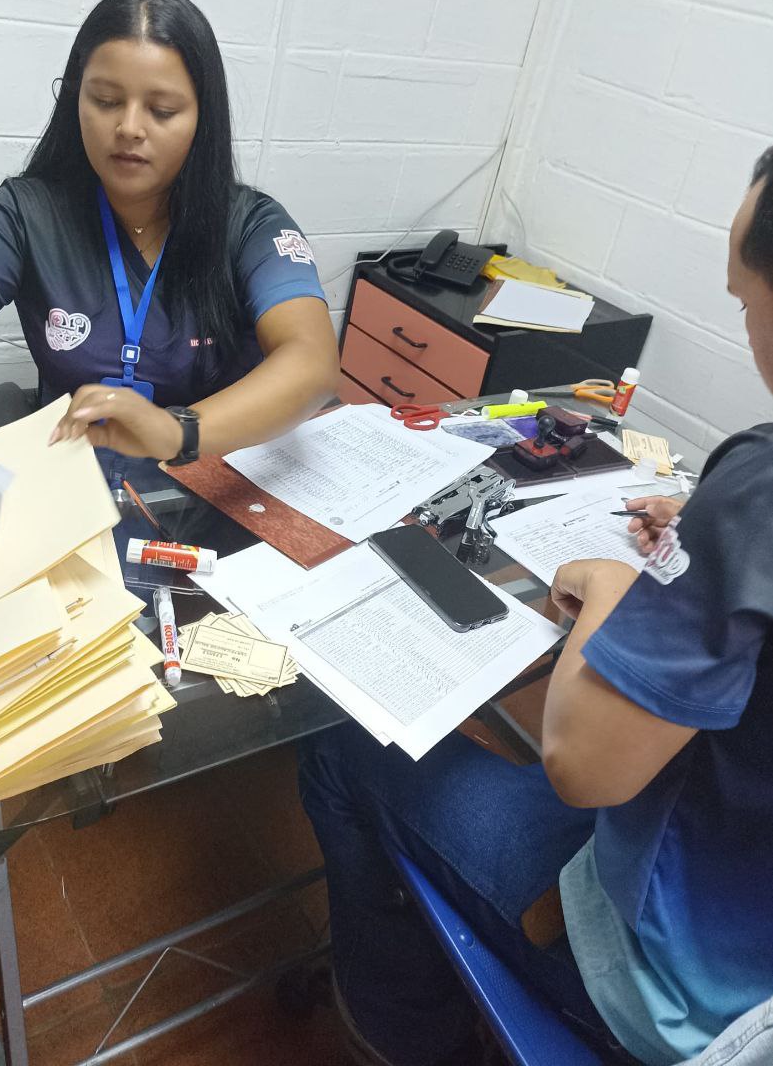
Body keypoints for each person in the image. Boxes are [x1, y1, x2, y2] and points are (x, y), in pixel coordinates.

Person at [300, 148, 773, 1066]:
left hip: (686, 993)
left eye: (745, 302)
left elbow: (581, 769)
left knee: (339, 752)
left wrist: (613, 587)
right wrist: (713, 535)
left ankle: (405, 1030)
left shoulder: (760, 487)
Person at [0, 0, 339, 537]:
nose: (129, 127)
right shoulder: (27, 215)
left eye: (162, 110)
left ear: (202, 118)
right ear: (75, 100)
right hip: (72, 501)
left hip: (214, 502)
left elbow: (312, 360)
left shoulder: (250, 225)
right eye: (105, 101)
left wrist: (179, 430)